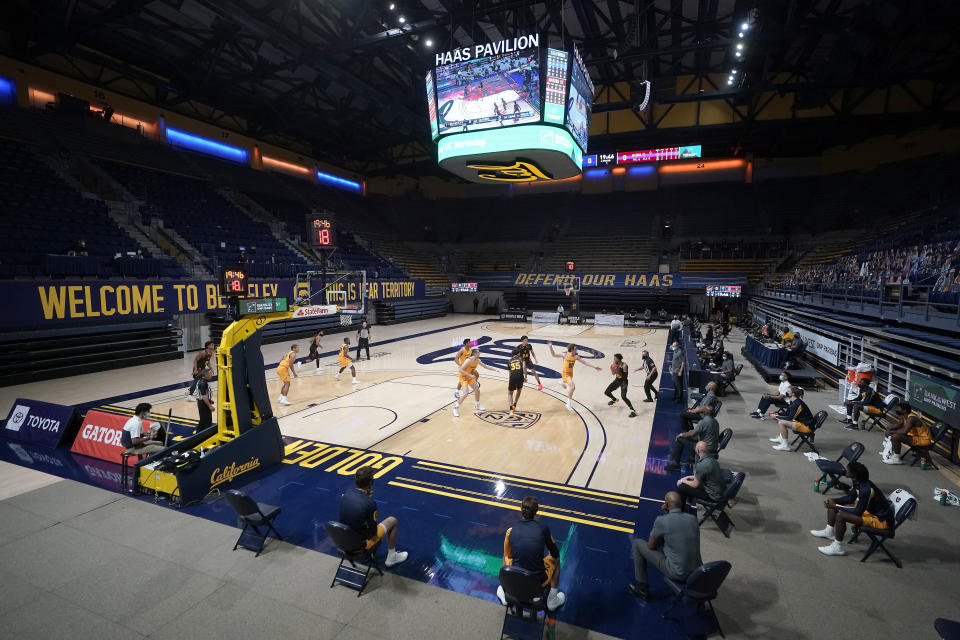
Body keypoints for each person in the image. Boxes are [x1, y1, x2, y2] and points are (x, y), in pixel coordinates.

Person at [627, 491, 701, 602]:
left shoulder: (661, 521)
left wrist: (665, 517)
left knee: (638, 544)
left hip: (678, 573)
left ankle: (643, 589)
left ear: (666, 505)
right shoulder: (693, 519)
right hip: (698, 572)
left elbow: (651, 546)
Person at [810, 461, 894, 556]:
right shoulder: (858, 482)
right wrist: (834, 501)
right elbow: (850, 498)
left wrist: (835, 506)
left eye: (848, 470)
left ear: (855, 474)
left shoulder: (866, 489)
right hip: (870, 511)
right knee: (833, 502)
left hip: (881, 520)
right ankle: (829, 532)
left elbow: (858, 511)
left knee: (841, 515)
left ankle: (837, 547)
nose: (845, 471)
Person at [496, 496, 565, 610]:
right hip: (538, 582)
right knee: (556, 560)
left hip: (515, 577)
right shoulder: (543, 529)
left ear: (521, 510)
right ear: (536, 512)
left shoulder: (511, 530)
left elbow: (508, 556)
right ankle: (552, 600)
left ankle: (505, 589)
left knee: (506, 555)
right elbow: (555, 554)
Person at [338, 466, 408, 567]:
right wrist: (368, 501)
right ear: (370, 483)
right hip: (360, 546)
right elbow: (372, 532)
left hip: (343, 542)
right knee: (393, 521)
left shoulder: (345, 495)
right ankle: (391, 558)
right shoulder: (369, 504)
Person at [548, 341, 601, 412]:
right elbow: (553, 355)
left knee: (568, 383)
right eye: (575, 349)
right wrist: (550, 347)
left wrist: (594, 367)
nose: (577, 350)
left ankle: (562, 382)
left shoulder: (576, 357)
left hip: (570, 374)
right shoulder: (565, 355)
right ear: (572, 350)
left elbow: (585, 362)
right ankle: (568, 404)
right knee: (572, 387)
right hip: (565, 374)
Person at [676, 440, 728, 508]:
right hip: (719, 491)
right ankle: (688, 502)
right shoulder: (712, 459)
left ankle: (680, 509)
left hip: (713, 496)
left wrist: (682, 481)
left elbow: (695, 484)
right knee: (689, 481)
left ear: (698, 450)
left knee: (681, 486)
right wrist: (687, 477)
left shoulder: (702, 465)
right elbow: (700, 475)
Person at [666, 405, 719, 471]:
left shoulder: (704, 422)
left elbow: (691, 434)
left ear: (704, 413)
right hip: (713, 448)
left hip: (704, 449)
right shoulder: (715, 422)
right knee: (691, 438)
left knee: (680, 439)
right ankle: (692, 457)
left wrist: (681, 434)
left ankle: (676, 464)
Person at [452, 348, 497, 417]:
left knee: (477, 390)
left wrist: (495, 369)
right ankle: (455, 408)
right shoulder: (468, 360)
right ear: (475, 354)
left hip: (470, 376)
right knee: (466, 393)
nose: (479, 353)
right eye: (478, 352)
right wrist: (470, 375)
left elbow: (485, 366)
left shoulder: (478, 360)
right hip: (463, 377)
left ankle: (477, 405)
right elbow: (460, 370)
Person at [770, 386, 814, 451]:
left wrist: (776, 417)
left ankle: (785, 446)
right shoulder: (792, 401)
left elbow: (790, 418)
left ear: (793, 394)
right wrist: (777, 414)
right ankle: (781, 438)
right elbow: (787, 413)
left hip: (806, 426)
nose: (786, 393)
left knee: (781, 422)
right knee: (780, 419)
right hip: (801, 422)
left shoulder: (797, 404)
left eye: (788, 391)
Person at [603, 354, 637, 418]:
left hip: (623, 382)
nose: (614, 360)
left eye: (615, 358)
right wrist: (613, 370)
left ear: (618, 359)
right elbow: (613, 374)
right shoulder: (615, 364)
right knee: (606, 392)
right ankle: (614, 399)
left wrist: (617, 371)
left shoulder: (624, 365)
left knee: (623, 397)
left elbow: (625, 377)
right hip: (617, 380)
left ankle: (633, 411)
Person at [506, 348, 527, 415]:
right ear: (518, 353)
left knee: (510, 393)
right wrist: (525, 377)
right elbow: (524, 367)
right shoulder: (521, 358)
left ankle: (511, 410)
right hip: (520, 376)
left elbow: (509, 372)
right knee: (519, 390)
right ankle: (515, 404)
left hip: (513, 377)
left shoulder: (509, 361)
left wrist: (510, 380)